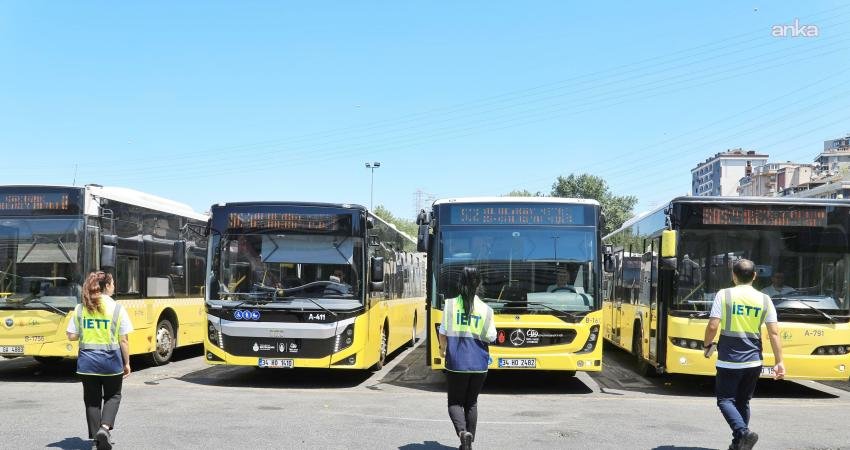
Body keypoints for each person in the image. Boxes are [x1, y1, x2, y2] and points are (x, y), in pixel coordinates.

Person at [703, 259, 784, 450]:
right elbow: (774, 333)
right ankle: (738, 444)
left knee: (725, 400)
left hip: (729, 359)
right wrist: (780, 361)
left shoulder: (724, 295)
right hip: (754, 361)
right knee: (743, 401)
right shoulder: (765, 299)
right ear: (755, 276)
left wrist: (707, 345)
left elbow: (713, 325)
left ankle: (743, 432)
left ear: (733, 276)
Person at [66, 271, 133, 450]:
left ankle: (97, 438)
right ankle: (104, 429)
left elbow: (71, 335)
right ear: (106, 287)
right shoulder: (117, 308)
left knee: (92, 401)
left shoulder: (81, 307)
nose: (114, 286)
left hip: (87, 364)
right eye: (112, 283)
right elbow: (123, 340)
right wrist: (126, 363)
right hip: (111, 363)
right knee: (113, 396)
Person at [438, 267, 497, 450]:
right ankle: (468, 444)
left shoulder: (449, 305)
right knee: (471, 402)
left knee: (455, 402)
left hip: (456, 363)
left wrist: (443, 349)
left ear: (459, 283)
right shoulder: (487, 310)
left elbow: (443, 332)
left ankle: (463, 433)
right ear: (479, 284)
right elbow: (492, 337)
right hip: (479, 365)